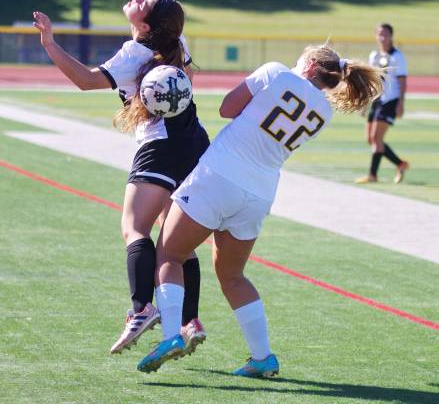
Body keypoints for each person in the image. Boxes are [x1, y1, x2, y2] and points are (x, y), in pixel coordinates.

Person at [136, 44, 383, 377]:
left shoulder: (276, 72)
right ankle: (262, 357)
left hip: (219, 176)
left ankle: (171, 337)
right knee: (233, 276)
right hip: (260, 193)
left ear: (310, 65)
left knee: (169, 254)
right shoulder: (324, 113)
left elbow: (227, 108)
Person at [33, 0, 209, 356]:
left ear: (145, 25)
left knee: (134, 229)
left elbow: (85, 80)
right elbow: (187, 79)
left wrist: (50, 43)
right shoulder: (176, 42)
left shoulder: (134, 53)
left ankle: (142, 308)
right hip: (194, 144)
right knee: (176, 243)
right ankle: (189, 321)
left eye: (147, 1)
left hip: (159, 147)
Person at [355, 23, 409, 184]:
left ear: (391, 36)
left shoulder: (397, 57)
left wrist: (400, 103)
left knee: (376, 138)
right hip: (377, 100)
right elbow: (372, 82)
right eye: (380, 34)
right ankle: (400, 164)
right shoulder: (374, 56)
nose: (382, 37)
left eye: (385, 34)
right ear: (376, 36)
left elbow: (402, 81)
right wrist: (365, 103)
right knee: (371, 139)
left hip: (390, 101)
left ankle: (373, 175)